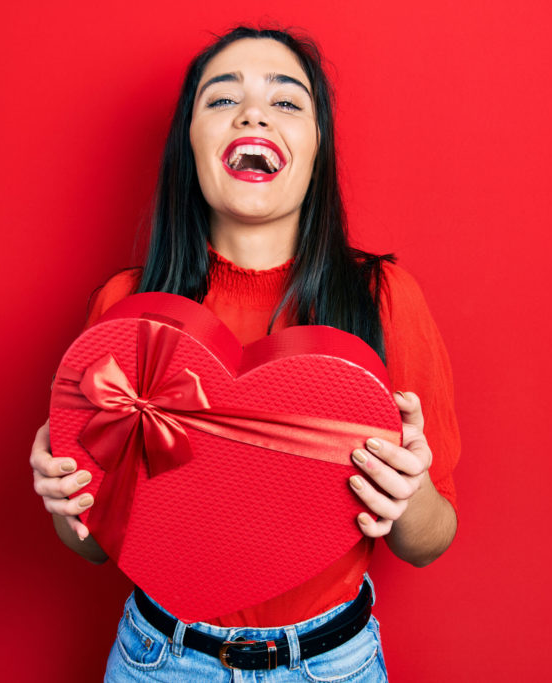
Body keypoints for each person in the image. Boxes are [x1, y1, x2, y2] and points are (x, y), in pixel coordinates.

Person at [29, 26, 459, 681]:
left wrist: (412, 492)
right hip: (160, 659)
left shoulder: (385, 299)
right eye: (222, 99)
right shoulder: (127, 310)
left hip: (332, 664)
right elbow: (92, 546)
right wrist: (66, 502)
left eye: (287, 102)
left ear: (318, 148)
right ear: (190, 143)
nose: (253, 112)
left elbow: (429, 541)